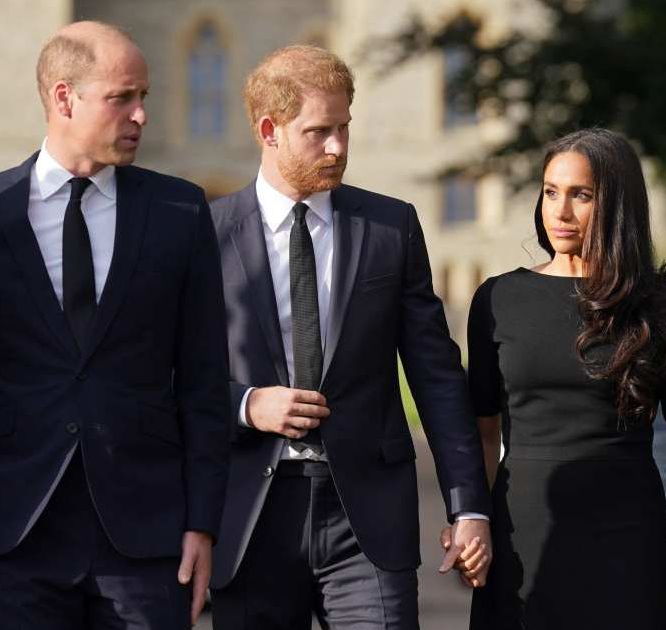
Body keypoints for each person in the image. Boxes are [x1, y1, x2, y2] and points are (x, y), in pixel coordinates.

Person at [0, 21, 230, 630]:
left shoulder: (180, 210)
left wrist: (202, 522)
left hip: (146, 538)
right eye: (124, 98)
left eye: (143, 96)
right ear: (64, 97)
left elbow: (204, 381)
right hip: (18, 531)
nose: (142, 115)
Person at [207, 45, 493, 629]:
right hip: (249, 516)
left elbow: (437, 376)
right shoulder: (204, 237)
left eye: (344, 128)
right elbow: (165, 373)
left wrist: (468, 506)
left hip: (366, 519)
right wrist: (246, 403)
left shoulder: (391, 227)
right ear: (270, 130)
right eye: (319, 132)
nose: (338, 147)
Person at [462, 128, 666, 629]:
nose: (560, 211)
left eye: (581, 195)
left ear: (616, 204)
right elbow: (482, 435)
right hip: (521, 536)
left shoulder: (663, 309)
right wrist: (470, 523)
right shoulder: (497, 301)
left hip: (627, 541)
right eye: (550, 192)